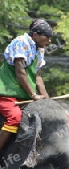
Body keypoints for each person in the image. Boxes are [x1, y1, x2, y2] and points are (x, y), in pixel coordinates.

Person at [0, 19, 52, 152]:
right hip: (6, 95)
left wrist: (47, 98)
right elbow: (20, 72)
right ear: (35, 35)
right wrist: (34, 95)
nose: (50, 41)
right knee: (15, 119)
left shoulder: (39, 49)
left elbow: (37, 75)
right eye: (47, 37)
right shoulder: (21, 42)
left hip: (24, 98)